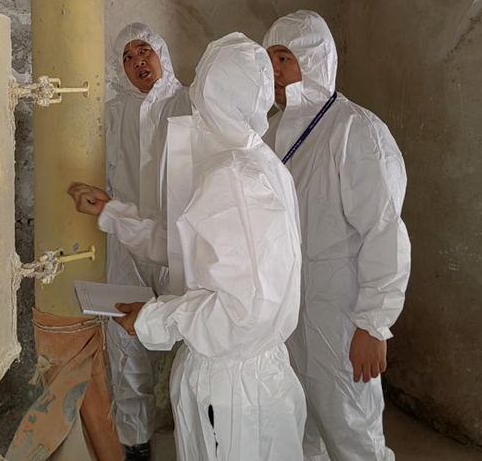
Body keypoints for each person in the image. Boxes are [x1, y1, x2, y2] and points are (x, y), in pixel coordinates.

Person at [71, 33, 307, 461]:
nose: (195, 93)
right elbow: (188, 247)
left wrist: (155, 319)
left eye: (203, 82)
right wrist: (114, 213)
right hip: (246, 378)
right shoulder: (255, 162)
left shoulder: (233, 176)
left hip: (230, 388)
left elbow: (240, 312)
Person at [262, 10, 411, 461]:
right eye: (268, 60)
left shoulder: (354, 129)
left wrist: (374, 324)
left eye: (284, 58)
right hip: (289, 307)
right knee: (298, 422)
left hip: (340, 310)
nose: (274, 72)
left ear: (314, 59)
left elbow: (383, 230)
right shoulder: (271, 133)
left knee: (351, 428)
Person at [99, 23, 191, 461]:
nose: (138, 61)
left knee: (191, 338)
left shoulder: (188, 103)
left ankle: (194, 437)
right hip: (128, 244)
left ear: (161, 54)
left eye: (144, 51)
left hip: (182, 242)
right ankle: (135, 444)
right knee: (126, 343)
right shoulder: (113, 112)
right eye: (128, 56)